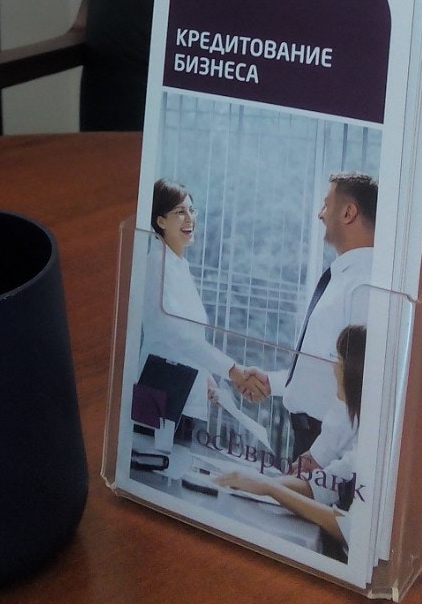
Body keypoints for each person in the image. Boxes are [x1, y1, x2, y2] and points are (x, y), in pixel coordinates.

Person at [216, 324, 367, 560]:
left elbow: (350, 529)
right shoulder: (362, 441)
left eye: (338, 360)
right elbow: (323, 486)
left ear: (356, 373)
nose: (333, 366)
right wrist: (256, 482)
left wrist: (270, 488)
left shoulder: (379, 451)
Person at [260, 172, 377, 462]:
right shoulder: (341, 277)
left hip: (324, 448)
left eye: (326, 204)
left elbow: (356, 386)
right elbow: (323, 368)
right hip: (310, 442)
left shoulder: (364, 286)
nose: (320, 214)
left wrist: (318, 455)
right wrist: (272, 382)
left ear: (348, 213)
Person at [140, 180, 267, 425]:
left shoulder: (178, 265)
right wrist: (232, 370)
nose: (190, 219)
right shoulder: (157, 263)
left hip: (182, 393)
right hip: (161, 393)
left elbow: (189, 339)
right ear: (161, 221)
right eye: (180, 212)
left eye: (191, 210)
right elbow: (174, 334)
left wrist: (206, 375)